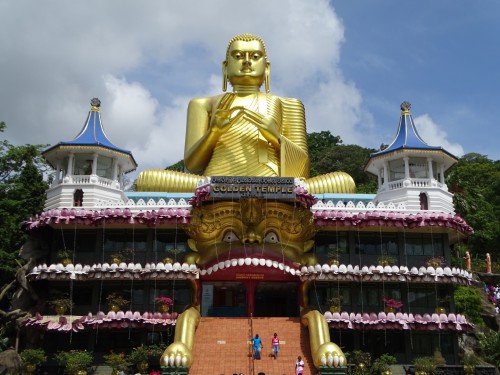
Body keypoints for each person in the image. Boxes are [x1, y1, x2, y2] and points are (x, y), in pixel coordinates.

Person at [136, 33, 355, 194]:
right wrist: (213, 132)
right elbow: (193, 165)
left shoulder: (287, 104)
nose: (247, 62)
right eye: (239, 56)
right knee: (147, 179)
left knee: (344, 182)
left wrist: (276, 138)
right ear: (225, 67)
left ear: (266, 67)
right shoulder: (203, 104)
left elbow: (302, 172)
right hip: (214, 184)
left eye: (255, 56)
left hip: (275, 187)